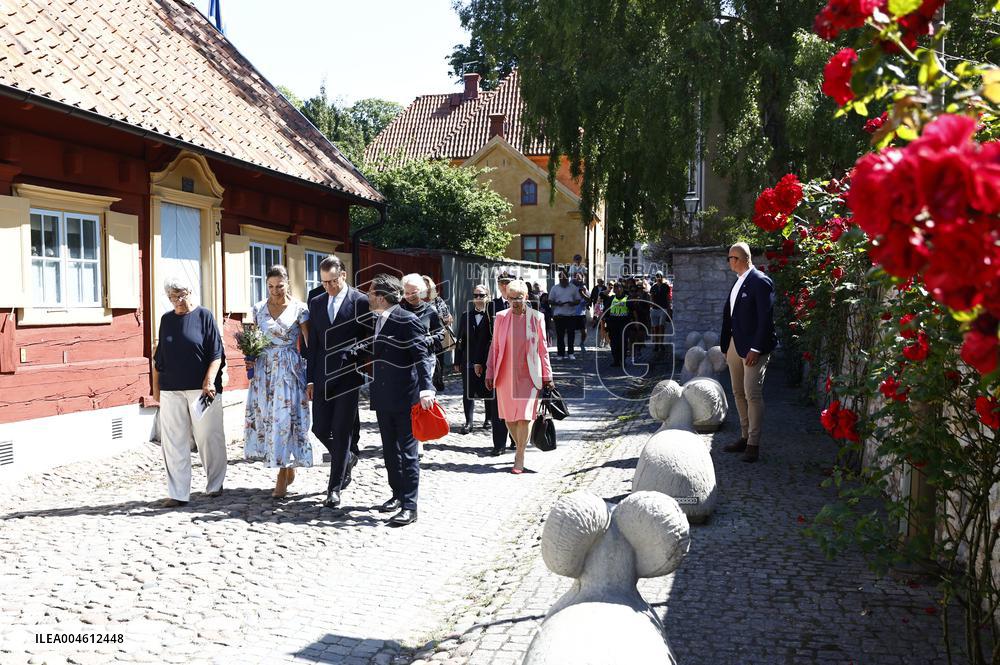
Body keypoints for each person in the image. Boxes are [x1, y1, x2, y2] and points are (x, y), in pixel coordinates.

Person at [367, 274, 436, 526]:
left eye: (371, 292)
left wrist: (426, 389)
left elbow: (421, 356)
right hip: (383, 396)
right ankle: (396, 494)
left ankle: (410, 506)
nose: (368, 296)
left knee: (408, 453)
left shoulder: (407, 320)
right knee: (389, 451)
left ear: (381, 297)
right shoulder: (377, 319)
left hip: (406, 397)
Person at [152, 276, 226, 507]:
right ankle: (178, 493)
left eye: (181, 295)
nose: (178, 300)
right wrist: (156, 388)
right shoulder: (166, 320)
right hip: (171, 389)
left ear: (190, 292)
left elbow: (216, 354)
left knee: (208, 436)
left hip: (202, 389)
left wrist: (209, 381)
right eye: (173, 297)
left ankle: (215, 484)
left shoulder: (204, 316)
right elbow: (159, 358)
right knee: (173, 441)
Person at [306, 255, 370, 509]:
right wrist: (310, 379)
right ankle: (348, 458)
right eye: (324, 282)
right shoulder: (316, 302)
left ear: (343, 275)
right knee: (320, 429)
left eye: (333, 281)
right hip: (322, 376)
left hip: (348, 376)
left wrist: (354, 354)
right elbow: (313, 345)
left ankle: (333, 489)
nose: (329, 286)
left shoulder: (361, 301)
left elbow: (370, 338)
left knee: (342, 431)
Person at [244, 265, 312, 498]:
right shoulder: (258, 309)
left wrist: (311, 376)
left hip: (289, 369)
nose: (275, 291)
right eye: (271, 286)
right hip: (264, 372)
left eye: (279, 286)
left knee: (285, 419)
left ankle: (282, 475)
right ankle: (286, 465)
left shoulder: (300, 309)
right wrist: (250, 357)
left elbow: (309, 344)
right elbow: (253, 340)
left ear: (287, 284)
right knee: (267, 419)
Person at [485, 279, 554, 473]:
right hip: (505, 373)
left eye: (519, 298)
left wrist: (547, 375)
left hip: (529, 374)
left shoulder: (537, 317)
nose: (515, 302)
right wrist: (490, 371)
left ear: (526, 297)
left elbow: (543, 349)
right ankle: (520, 445)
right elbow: (495, 347)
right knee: (509, 417)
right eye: (511, 298)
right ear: (507, 298)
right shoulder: (501, 317)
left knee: (524, 416)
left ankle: (520, 455)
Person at [720, 242, 777, 464]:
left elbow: (765, 318)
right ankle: (744, 437)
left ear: (743, 259)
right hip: (734, 345)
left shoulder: (761, 281)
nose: (729, 262)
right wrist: (726, 347)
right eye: (729, 258)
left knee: (752, 393)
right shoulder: (738, 282)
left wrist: (756, 348)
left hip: (754, 347)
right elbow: (730, 316)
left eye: (731, 258)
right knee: (737, 392)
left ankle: (754, 443)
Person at [454, 284, 493, 436]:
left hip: (486, 359)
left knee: (488, 389)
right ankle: (468, 422)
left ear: (488, 297)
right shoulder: (466, 316)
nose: (478, 298)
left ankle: (488, 419)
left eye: (481, 295)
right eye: (475, 295)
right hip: (468, 359)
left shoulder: (492, 316)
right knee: (468, 391)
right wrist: (457, 360)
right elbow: (460, 339)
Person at [401, 273, 445, 393]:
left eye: (414, 292)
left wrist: (429, 340)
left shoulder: (431, 311)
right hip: (404, 361)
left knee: (424, 394)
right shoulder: (399, 311)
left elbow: (442, 334)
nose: (410, 296)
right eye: (407, 293)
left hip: (425, 360)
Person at [486, 272, 514, 453]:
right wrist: (481, 362)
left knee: (515, 403)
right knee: (497, 405)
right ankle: (499, 444)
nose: (504, 286)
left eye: (507, 282)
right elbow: (485, 334)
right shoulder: (492, 306)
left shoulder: (525, 305)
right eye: (501, 283)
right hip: (496, 358)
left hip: (516, 362)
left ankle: (515, 439)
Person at [549, 271, 584, 360]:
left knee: (571, 335)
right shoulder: (554, 288)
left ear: (568, 278)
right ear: (559, 279)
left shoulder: (573, 288)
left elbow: (578, 300)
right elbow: (550, 300)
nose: (564, 280)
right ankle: (560, 354)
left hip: (571, 315)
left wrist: (573, 303)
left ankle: (571, 353)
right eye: (562, 279)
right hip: (559, 315)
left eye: (565, 279)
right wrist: (557, 303)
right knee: (560, 336)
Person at [604, 282, 634, 368]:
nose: (617, 289)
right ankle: (616, 360)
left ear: (622, 289)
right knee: (614, 343)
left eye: (618, 287)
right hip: (613, 324)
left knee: (623, 342)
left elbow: (632, 311)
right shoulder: (611, 299)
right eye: (615, 287)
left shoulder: (627, 298)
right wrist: (605, 321)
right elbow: (606, 311)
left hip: (623, 323)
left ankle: (623, 360)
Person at [650, 271, 672, 357]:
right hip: (655, 309)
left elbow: (668, 298)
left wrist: (669, 309)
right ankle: (656, 344)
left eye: (660, 276)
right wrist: (651, 307)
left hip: (663, 308)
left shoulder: (666, 286)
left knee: (661, 326)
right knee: (655, 327)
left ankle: (661, 343)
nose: (658, 277)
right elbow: (651, 298)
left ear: (662, 277)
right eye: (657, 276)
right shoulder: (653, 287)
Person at [572, 272, 590, 351]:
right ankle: (571, 344)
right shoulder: (570, 287)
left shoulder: (584, 287)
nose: (578, 279)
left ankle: (582, 342)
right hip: (571, 313)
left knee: (584, 331)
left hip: (581, 313)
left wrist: (582, 294)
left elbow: (589, 299)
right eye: (576, 278)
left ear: (582, 278)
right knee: (571, 331)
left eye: (579, 278)